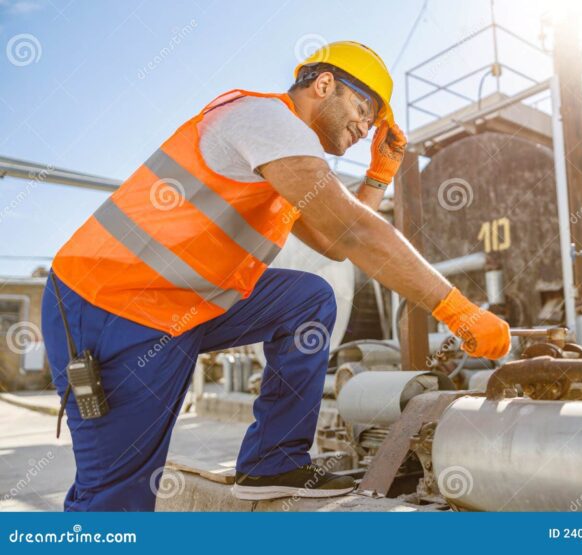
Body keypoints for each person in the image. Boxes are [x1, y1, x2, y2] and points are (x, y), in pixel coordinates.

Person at [41, 41, 510, 511]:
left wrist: (377, 177)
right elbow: (350, 232)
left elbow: (330, 243)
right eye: (363, 109)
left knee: (307, 299)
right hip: (111, 306)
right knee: (117, 498)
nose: (366, 128)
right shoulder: (265, 120)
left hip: (185, 304)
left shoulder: (283, 157)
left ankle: (273, 462)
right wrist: (458, 311)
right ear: (324, 84)